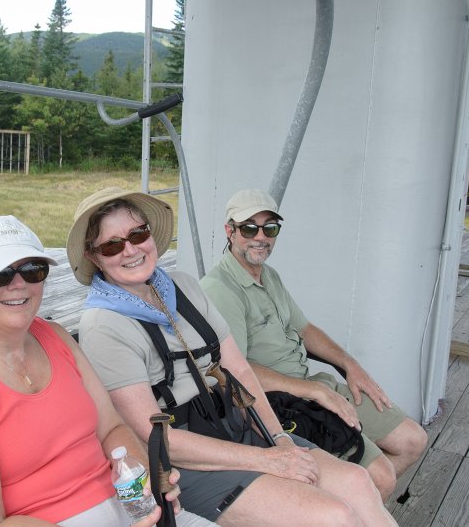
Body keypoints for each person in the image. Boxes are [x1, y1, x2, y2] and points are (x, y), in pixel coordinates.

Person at [67, 187, 397, 526]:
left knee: (359, 483)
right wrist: (265, 460)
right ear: (94, 257)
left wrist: (279, 439)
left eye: (139, 233)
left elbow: (239, 369)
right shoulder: (103, 325)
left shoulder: (183, 287)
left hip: (236, 428)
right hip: (185, 463)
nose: (131, 249)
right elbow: (158, 438)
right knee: (333, 516)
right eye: (112, 245)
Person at [0, 214, 215, 527]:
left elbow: (111, 429)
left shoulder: (54, 336)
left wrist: (143, 480)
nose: (19, 284)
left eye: (32, 270)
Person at [200, 188, 428, 501]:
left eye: (270, 228)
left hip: (311, 385)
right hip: (278, 402)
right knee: (380, 477)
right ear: (230, 231)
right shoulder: (220, 289)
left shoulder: (269, 275)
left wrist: (351, 365)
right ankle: (346, 506)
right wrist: (314, 392)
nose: (260, 237)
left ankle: (348, 508)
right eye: (249, 227)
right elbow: (233, 370)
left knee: (412, 441)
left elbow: (305, 329)